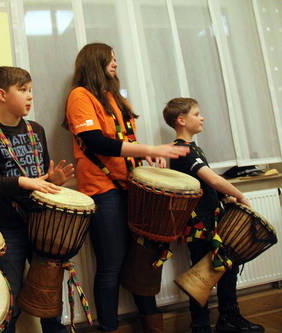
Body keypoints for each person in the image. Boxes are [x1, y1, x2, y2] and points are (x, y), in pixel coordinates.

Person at [64, 43, 189, 333]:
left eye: (117, 59)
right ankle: (109, 327)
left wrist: (150, 155)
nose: (116, 64)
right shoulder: (79, 96)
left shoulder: (115, 98)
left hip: (131, 187)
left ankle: (153, 325)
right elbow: (96, 141)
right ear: (96, 61)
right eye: (111, 58)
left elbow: (127, 140)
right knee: (111, 264)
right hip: (102, 190)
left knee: (140, 261)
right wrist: (149, 148)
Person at [0, 66, 74, 333]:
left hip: (42, 224)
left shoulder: (36, 130)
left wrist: (53, 181)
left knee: (50, 295)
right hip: (8, 227)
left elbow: (40, 180)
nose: (30, 96)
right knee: (10, 297)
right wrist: (20, 182)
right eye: (23, 90)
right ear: (2, 95)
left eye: (31, 90)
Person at [164, 97, 264, 333]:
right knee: (201, 277)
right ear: (181, 120)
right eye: (197, 114)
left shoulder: (192, 148)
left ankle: (229, 318)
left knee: (225, 268)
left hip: (212, 221)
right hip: (200, 225)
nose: (202, 117)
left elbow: (202, 185)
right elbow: (212, 179)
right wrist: (240, 195)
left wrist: (222, 199)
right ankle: (201, 325)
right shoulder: (182, 149)